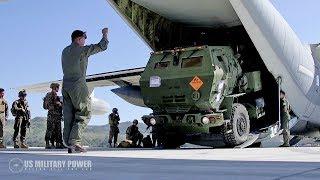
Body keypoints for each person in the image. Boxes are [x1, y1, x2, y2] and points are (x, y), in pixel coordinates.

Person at [62, 28, 109, 153]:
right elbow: (102, 46)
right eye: (84, 38)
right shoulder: (82, 50)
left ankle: (68, 143)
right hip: (78, 84)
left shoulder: (65, 51)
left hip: (65, 85)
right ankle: (75, 142)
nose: (85, 40)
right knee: (84, 112)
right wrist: (105, 34)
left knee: (69, 115)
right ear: (78, 39)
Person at [44, 83, 64, 149]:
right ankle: (58, 143)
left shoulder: (47, 95)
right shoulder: (54, 94)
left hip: (50, 114)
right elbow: (55, 103)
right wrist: (61, 104)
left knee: (50, 129)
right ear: (55, 87)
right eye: (57, 87)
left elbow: (46, 106)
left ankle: (48, 143)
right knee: (58, 130)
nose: (58, 88)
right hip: (55, 115)